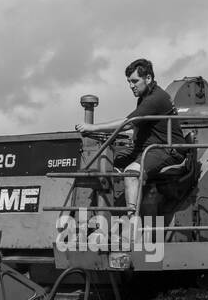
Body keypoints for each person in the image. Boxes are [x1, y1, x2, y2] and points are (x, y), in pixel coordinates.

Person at [76, 57, 182, 214]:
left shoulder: (156, 99)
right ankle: (95, 214)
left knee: (132, 172)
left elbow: (128, 123)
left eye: (135, 81)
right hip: (145, 148)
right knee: (104, 164)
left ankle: (132, 220)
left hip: (166, 150)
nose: (131, 86)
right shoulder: (144, 97)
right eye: (129, 82)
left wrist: (93, 127)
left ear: (148, 78)